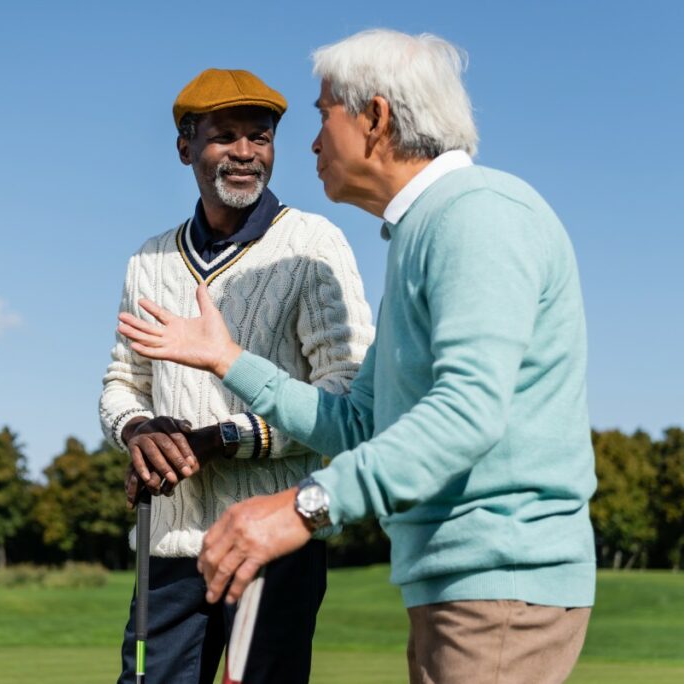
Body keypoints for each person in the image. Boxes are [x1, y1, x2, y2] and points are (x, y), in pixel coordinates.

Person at [118, 30, 596, 684]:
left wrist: (299, 506)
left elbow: (468, 412)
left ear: (375, 118)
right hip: (453, 585)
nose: (311, 143)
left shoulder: (476, 216)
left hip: (500, 580)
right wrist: (231, 360)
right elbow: (360, 421)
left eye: (322, 116)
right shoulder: (421, 232)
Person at [100, 68, 373, 683]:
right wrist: (140, 428)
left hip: (275, 541)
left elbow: (346, 400)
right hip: (169, 547)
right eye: (225, 136)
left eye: (261, 135)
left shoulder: (313, 244)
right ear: (185, 147)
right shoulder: (148, 259)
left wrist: (220, 438)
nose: (246, 152)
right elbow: (123, 382)